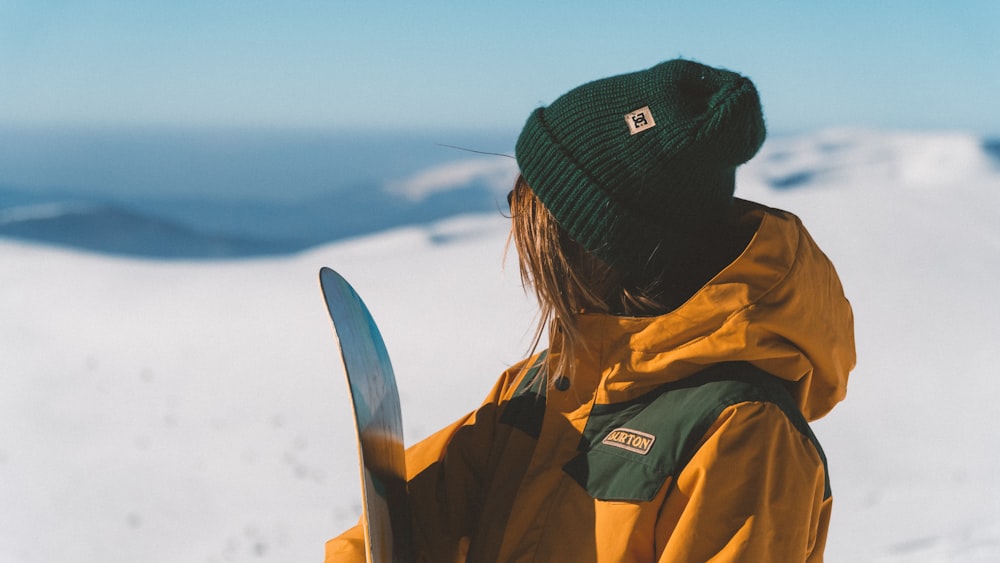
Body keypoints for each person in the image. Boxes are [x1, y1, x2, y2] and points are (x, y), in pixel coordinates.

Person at [326, 58, 855, 562]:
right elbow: (401, 526)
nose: (516, 219)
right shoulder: (546, 387)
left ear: (594, 245)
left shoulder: (742, 436)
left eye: (532, 205)